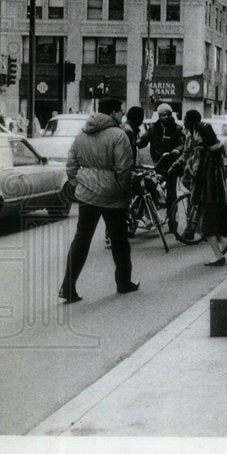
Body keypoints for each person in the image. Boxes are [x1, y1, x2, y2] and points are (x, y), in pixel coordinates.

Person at [58, 97, 137, 303]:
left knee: (81, 239)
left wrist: (78, 184)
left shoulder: (82, 134)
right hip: (112, 195)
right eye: (120, 110)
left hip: (87, 194)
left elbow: (71, 163)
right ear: (113, 113)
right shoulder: (118, 136)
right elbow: (124, 169)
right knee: (120, 240)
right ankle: (123, 283)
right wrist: (123, 191)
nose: (122, 114)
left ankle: (68, 287)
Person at [183, 109, 227, 265]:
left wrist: (186, 168)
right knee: (213, 221)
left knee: (205, 225)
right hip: (217, 192)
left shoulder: (202, 152)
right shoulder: (215, 153)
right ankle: (224, 241)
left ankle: (218, 255)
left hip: (206, 191)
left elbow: (195, 168)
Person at [141, 102, 185, 228]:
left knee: (171, 193)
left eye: (168, 114)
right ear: (159, 116)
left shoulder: (177, 129)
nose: (166, 117)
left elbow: (183, 143)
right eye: (163, 115)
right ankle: (149, 214)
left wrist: (178, 149)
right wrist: (138, 141)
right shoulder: (153, 129)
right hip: (157, 164)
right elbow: (144, 140)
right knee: (151, 188)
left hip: (172, 165)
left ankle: (172, 222)